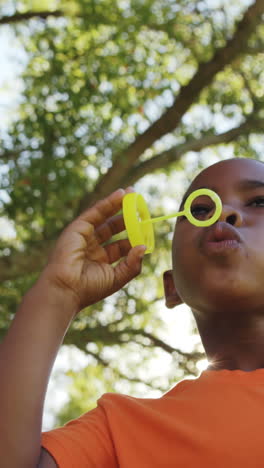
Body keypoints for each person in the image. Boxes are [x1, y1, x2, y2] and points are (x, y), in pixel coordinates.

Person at [1, 157, 264, 468]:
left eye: (259, 201)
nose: (224, 213)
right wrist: (57, 293)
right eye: (200, 210)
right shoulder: (119, 431)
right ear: (172, 286)